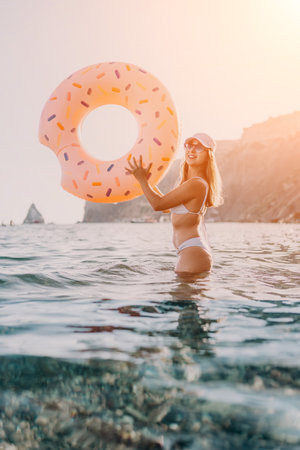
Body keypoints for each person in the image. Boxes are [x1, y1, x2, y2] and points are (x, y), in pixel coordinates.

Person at [124, 133, 224, 275]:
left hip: (192, 255)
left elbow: (158, 205)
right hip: (189, 253)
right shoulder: (191, 183)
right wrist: (148, 182)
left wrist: (142, 180)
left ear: (209, 154)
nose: (192, 150)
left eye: (199, 147)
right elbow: (166, 207)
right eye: (189, 145)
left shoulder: (196, 184)